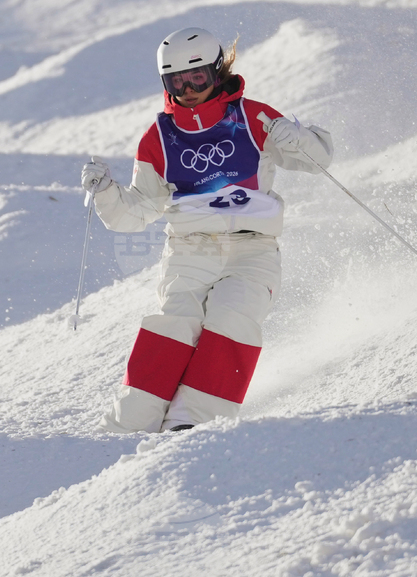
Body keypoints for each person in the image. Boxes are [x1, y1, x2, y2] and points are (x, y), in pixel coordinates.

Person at [82, 27, 333, 433]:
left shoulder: (252, 117)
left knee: (235, 315)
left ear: (216, 72)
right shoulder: (159, 138)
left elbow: (319, 160)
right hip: (190, 248)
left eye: (196, 77)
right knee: (176, 322)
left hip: (253, 248)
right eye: (175, 81)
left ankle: (193, 423)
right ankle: (130, 424)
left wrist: (297, 137)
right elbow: (134, 214)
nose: (188, 89)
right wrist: (107, 193)